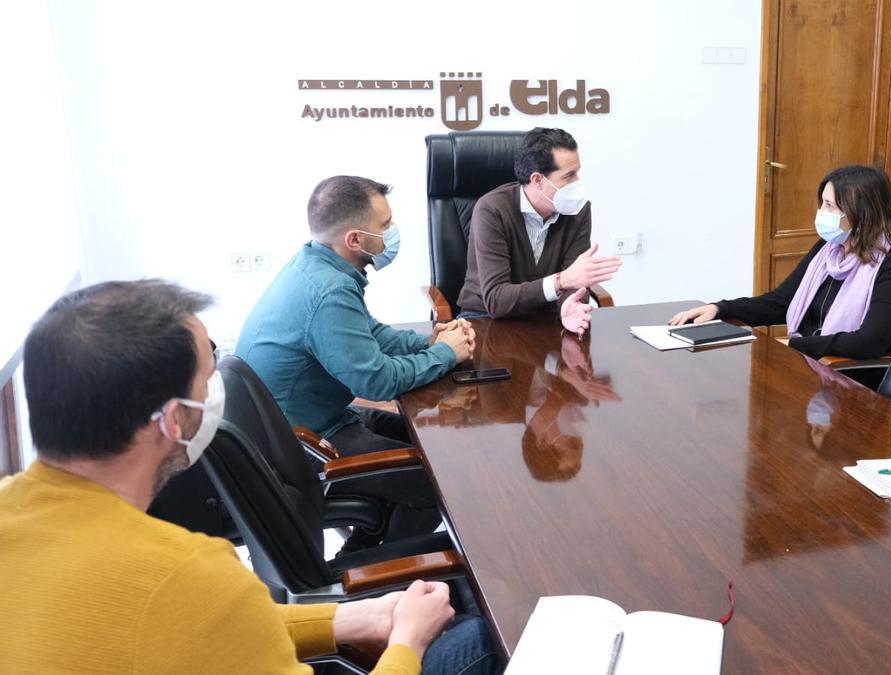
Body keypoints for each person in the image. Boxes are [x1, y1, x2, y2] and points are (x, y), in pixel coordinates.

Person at [0, 280, 498, 674]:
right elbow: (198, 606)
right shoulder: (189, 573)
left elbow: (207, 623)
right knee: (481, 638)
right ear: (174, 421)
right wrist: (408, 640)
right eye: (208, 379)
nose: (217, 390)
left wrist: (352, 617)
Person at [238, 175, 474, 454]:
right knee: (443, 473)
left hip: (318, 419)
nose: (393, 231)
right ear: (354, 239)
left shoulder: (315, 263)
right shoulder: (329, 291)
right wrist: (445, 353)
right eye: (385, 226)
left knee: (431, 442)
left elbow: (370, 332)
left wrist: (428, 343)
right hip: (301, 445)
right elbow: (377, 382)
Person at [669, 164, 891, 360]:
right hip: (807, 362)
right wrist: (721, 309)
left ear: (862, 213)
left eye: (830, 206)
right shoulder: (828, 250)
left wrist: (793, 345)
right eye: (823, 202)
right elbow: (780, 301)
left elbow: (869, 343)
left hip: (846, 376)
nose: (822, 212)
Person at [456, 127, 619, 335]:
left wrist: (570, 307)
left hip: (546, 318)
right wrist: (562, 281)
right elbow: (496, 300)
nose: (577, 183)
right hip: (485, 320)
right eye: (569, 176)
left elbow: (575, 279)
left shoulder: (578, 210)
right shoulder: (491, 210)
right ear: (538, 180)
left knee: (579, 365)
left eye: (577, 172)